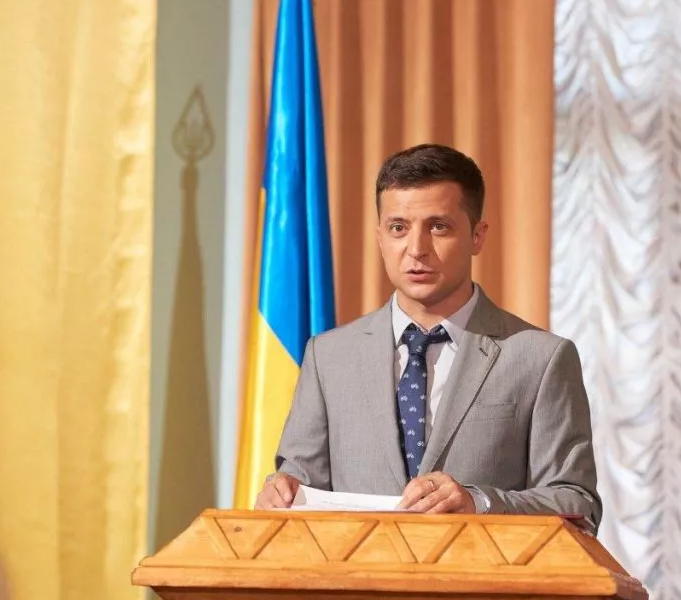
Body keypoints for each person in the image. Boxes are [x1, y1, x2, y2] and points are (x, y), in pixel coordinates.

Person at [255, 143, 600, 527]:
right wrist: (282, 493)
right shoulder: (328, 356)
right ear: (380, 237)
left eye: (438, 227)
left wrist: (480, 502)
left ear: (477, 236)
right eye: (398, 228)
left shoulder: (541, 358)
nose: (417, 249)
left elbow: (577, 505)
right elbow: (301, 485)